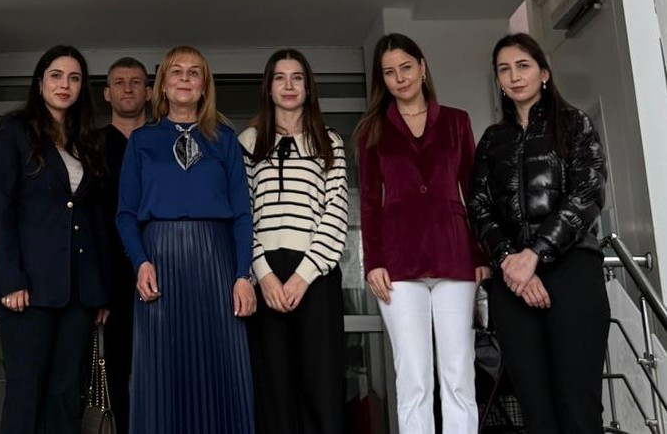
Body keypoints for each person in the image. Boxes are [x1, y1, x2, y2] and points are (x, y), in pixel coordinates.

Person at [467, 33, 609, 434]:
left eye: (523, 66)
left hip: (572, 272)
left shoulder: (575, 124)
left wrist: (535, 255)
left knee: (578, 406)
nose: (514, 76)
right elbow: (478, 207)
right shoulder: (492, 140)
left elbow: (588, 194)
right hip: (511, 282)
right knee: (535, 411)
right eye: (504, 69)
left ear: (544, 73)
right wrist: (511, 262)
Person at [116, 45, 256, 434]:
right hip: (158, 258)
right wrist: (141, 261)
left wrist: (242, 274)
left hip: (216, 259)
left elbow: (243, 213)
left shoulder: (225, 140)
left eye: (194, 72)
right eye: (176, 71)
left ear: (204, 87)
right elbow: (125, 213)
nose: (184, 78)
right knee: (160, 367)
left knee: (222, 364)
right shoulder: (141, 140)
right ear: (162, 85)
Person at [356, 33, 489, 434]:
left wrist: (480, 254)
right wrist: (373, 261)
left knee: (458, 372)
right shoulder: (372, 130)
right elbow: (369, 202)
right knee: (413, 376)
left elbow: (474, 191)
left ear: (423, 67)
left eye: (406, 67)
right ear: (382, 80)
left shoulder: (456, 121)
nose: (400, 78)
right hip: (398, 260)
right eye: (389, 72)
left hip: (455, 254)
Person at [0, 44, 110, 434]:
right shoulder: (14, 131)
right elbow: (1, 208)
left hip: (78, 291)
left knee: (65, 392)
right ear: (40, 83)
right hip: (27, 287)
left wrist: (98, 291)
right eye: (56, 76)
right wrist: (10, 277)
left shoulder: (87, 141)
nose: (64, 85)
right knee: (26, 391)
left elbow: (95, 220)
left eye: (74, 78)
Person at [238, 48, 347, 434]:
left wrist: (303, 276)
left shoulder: (329, 141)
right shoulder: (249, 141)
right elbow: (243, 214)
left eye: (297, 77)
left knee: (321, 387)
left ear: (308, 87)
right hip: (265, 274)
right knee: (274, 389)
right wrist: (264, 275)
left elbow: (335, 213)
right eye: (279, 78)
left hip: (315, 275)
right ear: (268, 88)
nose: (288, 86)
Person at [98, 56, 152, 434]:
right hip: (112, 275)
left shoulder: (164, 141)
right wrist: (96, 288)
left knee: (161, 366)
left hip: (162, 267)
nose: (128, 88)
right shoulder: (91, 145)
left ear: (149, 92)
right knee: (117, 369)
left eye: (135, 82)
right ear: (107, 93)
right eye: (119, 82)